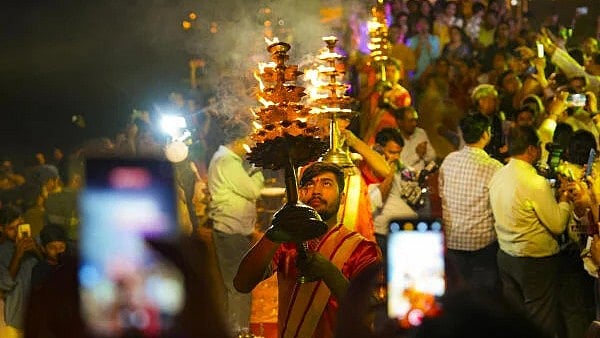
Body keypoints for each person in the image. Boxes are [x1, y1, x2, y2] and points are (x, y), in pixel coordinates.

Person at [234, 162, 381, 338]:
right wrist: (273, 235)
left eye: (326, 183)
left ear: (342, 198)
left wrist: (329, 273)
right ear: (300, 194)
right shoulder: (287, 242)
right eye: (309, 184)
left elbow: (371, 314)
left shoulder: (362, 249)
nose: (316, 190)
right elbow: (242, 284)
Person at [488, 125, 576, 337]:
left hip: (506, 256)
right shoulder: (535, 182)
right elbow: (556, 224)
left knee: (516, 320)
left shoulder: (498, 175)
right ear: (531, 150)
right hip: (535, 261)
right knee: (541, 321)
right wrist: (564, 200)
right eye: (537, 147)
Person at [207, 118, 265, 335]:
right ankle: (238, 332)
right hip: (231, 232)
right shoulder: (227, 161)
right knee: (239, 286)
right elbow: (252, 191)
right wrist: (259, 172)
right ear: (238, 141)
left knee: (239, 285)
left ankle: (238, 331)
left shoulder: (224, 159)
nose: (249, 146)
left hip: (232, 231)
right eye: (247, 141)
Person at [439, 113, 503, 293]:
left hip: (453, 241)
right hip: (483, 245)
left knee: (457, 296)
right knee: (483, 300)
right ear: (486, 134)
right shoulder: (494, 167)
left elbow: (442, 195)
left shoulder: (449, 160)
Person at [0, 205, 41, 338]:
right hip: (15, 317)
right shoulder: (2, 251)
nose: (17, 232)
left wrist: (35, 250)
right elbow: (4, 285)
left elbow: (49, 270)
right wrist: (18, 254)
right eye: (12, 228)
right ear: (1, 229)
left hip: (37, 314)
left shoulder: (35, 242)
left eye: (20, 226)